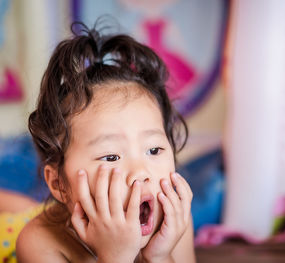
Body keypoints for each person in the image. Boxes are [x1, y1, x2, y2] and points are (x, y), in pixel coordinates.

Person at [15, 21, 195, 263]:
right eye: (111, 157)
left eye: (154, 149)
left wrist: (160, 256)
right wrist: (115, 257)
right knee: (17, 208)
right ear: (58, 183)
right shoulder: (39, 242)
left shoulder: (174, 221)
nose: (140, 173)